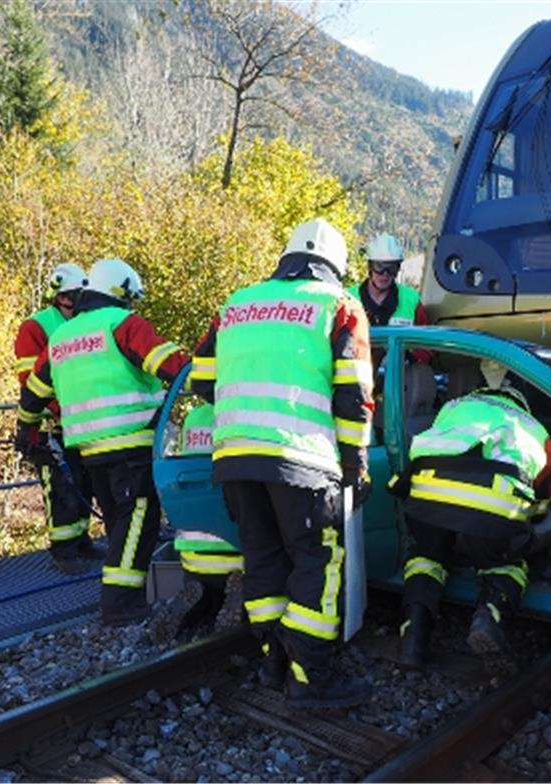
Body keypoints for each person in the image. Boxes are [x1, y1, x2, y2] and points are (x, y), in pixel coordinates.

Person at [190, 218, 375, 709]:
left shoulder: (236, 304)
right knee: (318, 558)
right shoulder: (339, 305)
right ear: (336, 266)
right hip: (303, 458)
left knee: (264, 557)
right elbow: (354, 397)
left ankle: (273, 661)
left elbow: (201, 382)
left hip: (234, 458)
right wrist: (357, 468)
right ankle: (312, 677)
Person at [16, 258, 190, 626]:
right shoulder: (123, 324)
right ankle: (120, 605)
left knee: (119, 523)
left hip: (88, 450)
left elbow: (33, 393)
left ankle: (127, 594)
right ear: (121, 293)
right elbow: (171, 365)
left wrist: (26, 430)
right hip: (132, 444)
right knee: (138, 522)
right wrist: (208, 376)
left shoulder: (62, 337)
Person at [388, 361, 551, 669]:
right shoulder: (535, 428)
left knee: (427, 557)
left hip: (427, 495)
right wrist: (526, 522)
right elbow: (544, 497)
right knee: (503, 564)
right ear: (520, 401)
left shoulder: (454, 406)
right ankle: (488, 616)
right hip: (492, 507)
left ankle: (413, 634)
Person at [13, 262, 105, 575]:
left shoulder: (83, 323)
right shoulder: (37, 327)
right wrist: (51, 414)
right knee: (60, 486)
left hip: (81, 419)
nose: (74, 301)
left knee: (84, 482)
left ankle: (81, 540)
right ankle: (63, 550)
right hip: (49, 422)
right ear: (58, 296)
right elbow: (33, 380)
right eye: (69, 296)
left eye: (79, 294)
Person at [148, 400, 246, 645]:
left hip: (192, 555)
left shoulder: (195, 417)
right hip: (238, 554)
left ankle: (197, 600)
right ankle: (240, 596)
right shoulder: (244, 412)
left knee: (207, 597)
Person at [354, 232, 432, 365]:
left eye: (391, 268)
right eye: (379, 267)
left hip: (399, 377)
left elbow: (427, 344)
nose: (385, 274)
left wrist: (412, 360)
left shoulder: (411, 300)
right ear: (370, 267)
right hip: (357, 375)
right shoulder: (349, 298)